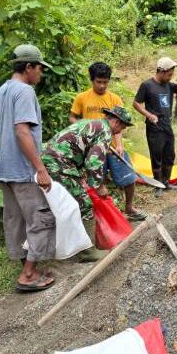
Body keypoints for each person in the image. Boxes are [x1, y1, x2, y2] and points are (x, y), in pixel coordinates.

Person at [0, 44, 56, 293]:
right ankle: (28, 274)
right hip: (22, 169)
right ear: (28, 67)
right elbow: (22, 131)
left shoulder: (2, 90)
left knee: (16, 221)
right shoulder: (24, 91)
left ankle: (28, 267)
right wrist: (40, 168)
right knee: (41, 219)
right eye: (39, 68)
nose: (40, 74)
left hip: (5, 168)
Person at [41, 106, 134, 262]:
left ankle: (63, 244)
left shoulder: (94, 124)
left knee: (65, 203)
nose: (122, 130)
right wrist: (99, 186)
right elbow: (93, 163)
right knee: (84, 204)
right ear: (117, 122)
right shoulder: (104, 132)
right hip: (59, 163)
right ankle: (87, 251)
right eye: (123, 126)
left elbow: (83, 151)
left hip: (52, 159)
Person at [69, 62, 146, 221]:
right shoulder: (82, 98)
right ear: (92, 80)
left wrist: (119, 144)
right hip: (91, 149)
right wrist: (82, 129)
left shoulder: (114, 99)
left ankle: (129, 208)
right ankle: (100, 214)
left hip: (111, 146)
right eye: (99, 82)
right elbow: (73, 117)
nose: (102, 85)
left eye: (105, 82)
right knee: (96, 179)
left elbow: (120, 124)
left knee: (129, 176)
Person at [133, 57, 177, 198]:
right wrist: (148, 114)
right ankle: (158, 186)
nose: (171, 77)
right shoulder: (147, 85)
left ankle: (166, 182)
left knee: (169, 155)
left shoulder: (169, 85)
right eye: (169, 74)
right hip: (154, 126)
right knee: (156, 155)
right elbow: (136, 103)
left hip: (167, 124)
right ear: (161, 71)